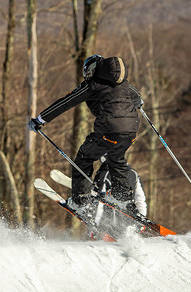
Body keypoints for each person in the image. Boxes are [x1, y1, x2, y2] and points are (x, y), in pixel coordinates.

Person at [28, 55, 143, 215]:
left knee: (84, 157)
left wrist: (40, 119)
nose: (87, 74)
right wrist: (138, 104)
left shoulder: (92, 85)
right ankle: (123, 198)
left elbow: (66, 102)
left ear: (95, 70)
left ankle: (81, 200)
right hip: (131, 130)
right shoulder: (124, 85)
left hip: (109, 129)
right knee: (116, 159)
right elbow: (138, 99)